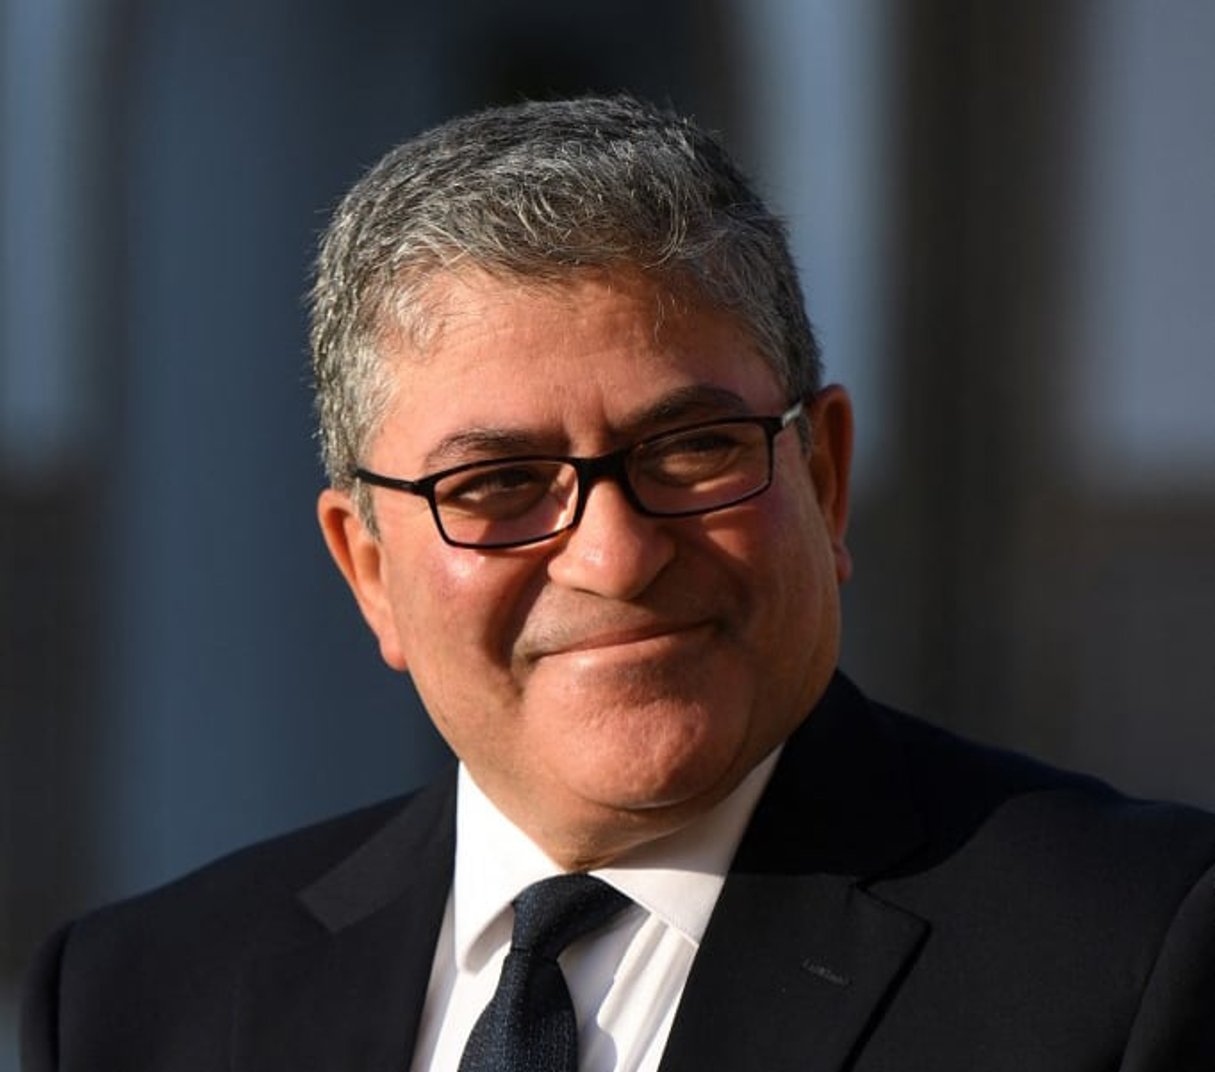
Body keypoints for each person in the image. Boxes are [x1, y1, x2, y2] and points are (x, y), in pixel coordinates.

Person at [21, 95, 1215, 1072]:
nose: (614, 555)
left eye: (691, 451)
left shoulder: (1141, 950)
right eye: (496, 482)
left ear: (826, 476)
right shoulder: (138, 1003)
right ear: (369, 568)